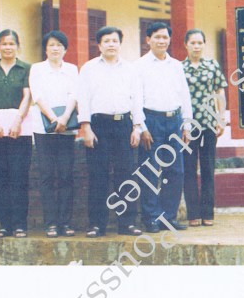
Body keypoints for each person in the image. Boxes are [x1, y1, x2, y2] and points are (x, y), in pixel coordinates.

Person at [78, 26, 144, 238]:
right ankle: (97, 224)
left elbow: (137, 99)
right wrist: (86, 127)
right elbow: (83, 98)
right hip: (98, 126)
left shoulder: (130, 69)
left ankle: (127, 223)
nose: (111, 44)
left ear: (120, 44)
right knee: (98, 176)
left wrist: (137, 127)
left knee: (126, 175)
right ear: (99, 45)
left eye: (115, 41)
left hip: (124, 125)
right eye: (106, 41)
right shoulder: (89, 68)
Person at [134, 22, 193, 233]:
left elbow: (184, 95)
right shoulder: (139, 66)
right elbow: (136, 98)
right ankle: (151, 217)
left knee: (176, 170)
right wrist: (141, 127)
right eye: (157, 37)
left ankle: (168, 217)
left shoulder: (176, 65)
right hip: (151, 121)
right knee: (150, 171)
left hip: (174, 121)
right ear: (148, 40)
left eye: (165, 37)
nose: (161, 41)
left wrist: (186, 124)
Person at [0, 29, 33, 238]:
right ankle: (5, 224)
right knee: (0, 177)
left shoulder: (26, 68)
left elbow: (27, 96)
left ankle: (20, 224)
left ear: (17, 46)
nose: (7, 47)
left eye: (11, 43)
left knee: (19, 177)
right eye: (4, 44)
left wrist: (18, 121)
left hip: (20, 129)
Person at [28, 30, 80, 238]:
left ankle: (65, 223)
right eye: (51, 45)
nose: (55, 48)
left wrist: (64, 118)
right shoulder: (37, 69)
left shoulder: (72, 69)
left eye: (59, 45)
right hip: (43, 130)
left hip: (66, 128)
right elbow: (37, 96)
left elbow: (74, 95)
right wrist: (53, 119)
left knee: (66, 175)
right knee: (47, 176)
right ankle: (50, 223)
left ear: (65, 49)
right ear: (45, 49)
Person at [181, 29, 227, 227]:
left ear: (204, 44)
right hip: (188, 126)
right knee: (189, 169)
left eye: (200, 43)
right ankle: (193, 214)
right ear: (186, 45)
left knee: (208, 168)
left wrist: (220, 117)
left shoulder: (212, 65)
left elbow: (219, 90)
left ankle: (208, 213)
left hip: (209, 124)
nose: (196, 46)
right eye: (193, 43)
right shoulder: (179, 68)